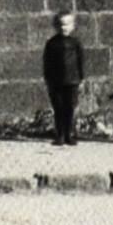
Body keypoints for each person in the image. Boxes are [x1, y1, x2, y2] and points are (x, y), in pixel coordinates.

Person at [42, 10, 84, 146]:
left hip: (72, 80)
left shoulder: (75, 43)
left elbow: (80, 61)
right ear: (55, 26)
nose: (63, 28)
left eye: (66, 25)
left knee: (70, 107)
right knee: (58, 107)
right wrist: (47, 78)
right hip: (56, 81)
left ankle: (69, 134)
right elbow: (47, 61)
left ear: (72, 26)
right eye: (60, 25)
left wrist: (81, 78)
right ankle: (59, 134)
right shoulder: (51, 43)